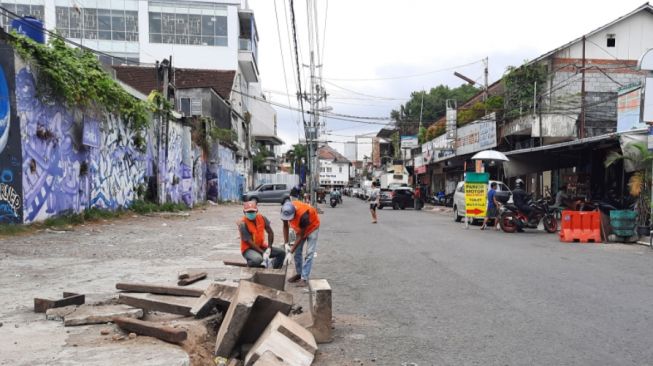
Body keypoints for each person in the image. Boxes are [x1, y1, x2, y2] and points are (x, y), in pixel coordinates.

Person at [281, 200, 321, 287]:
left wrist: (290, 252)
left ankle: (304, 278)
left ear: (294, 212)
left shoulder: (304, 215)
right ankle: (299, 274)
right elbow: (285, 226)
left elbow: (301, 235)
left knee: (309, 253)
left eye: (290, 218)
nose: (289, 220)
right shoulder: (285, 210)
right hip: (300, 228)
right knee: (297, 252)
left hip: (312, 228)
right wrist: (286, 244)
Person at [238, 201, 286, 268]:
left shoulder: (262, 218)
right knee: (258, 259)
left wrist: (269, 248)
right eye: (248, 212)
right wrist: (263, 253)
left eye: (252, 211)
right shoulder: (242, 224)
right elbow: (250, 242)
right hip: (248, 249)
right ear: (244, 212)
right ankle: (250, 264)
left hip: (261, 246)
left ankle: (274, 268)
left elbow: (270, 232)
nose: (251, 213)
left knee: (281, 253)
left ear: (256, 211)